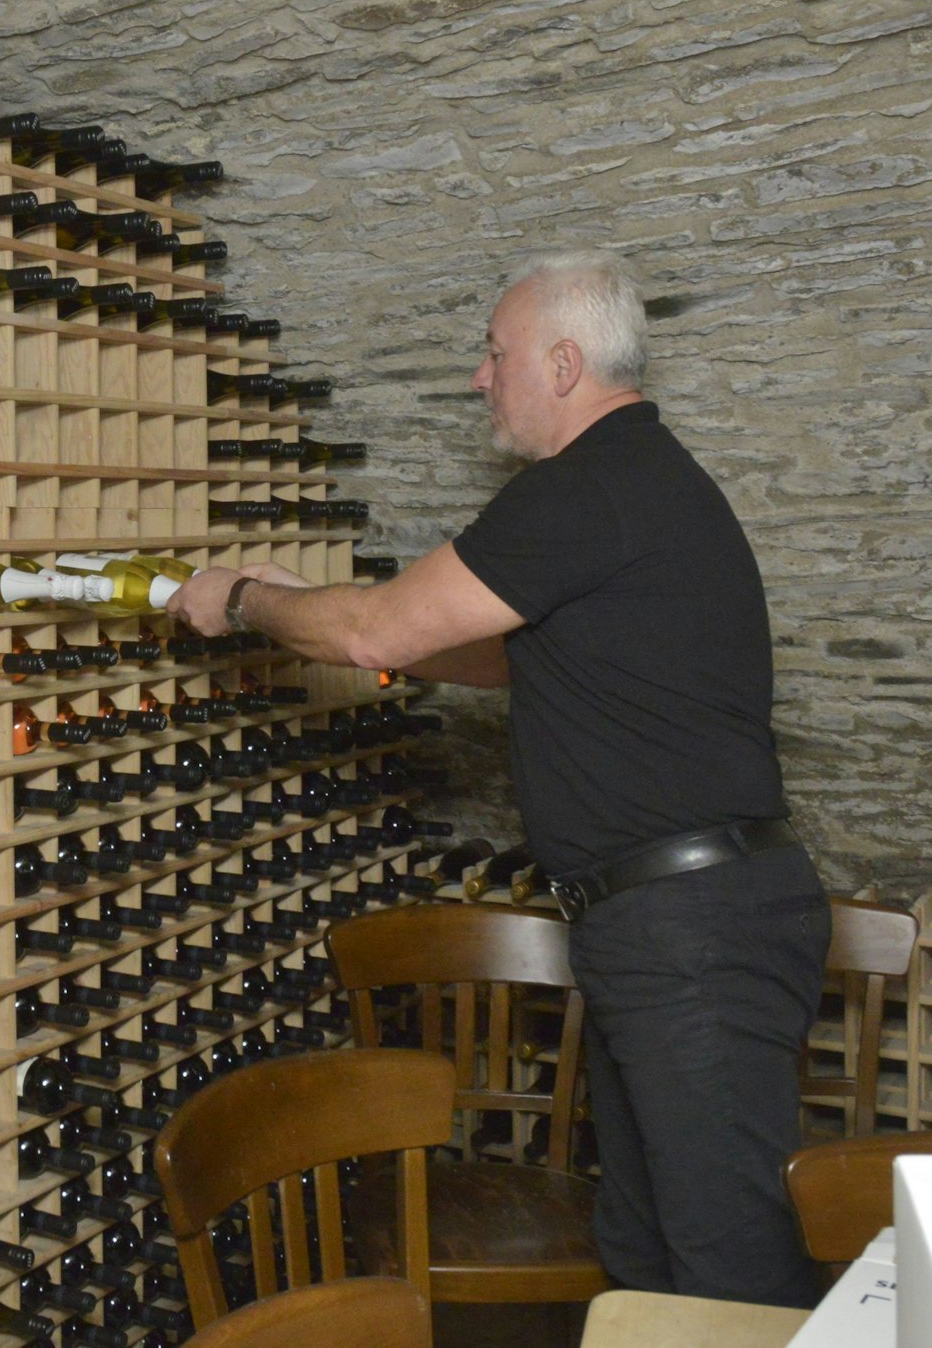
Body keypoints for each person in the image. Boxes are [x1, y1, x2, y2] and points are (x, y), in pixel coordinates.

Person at [165, 248, 830, 1307]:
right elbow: (472, 649)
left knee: (729, 1278)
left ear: (562, 364)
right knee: (649, 1256)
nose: (479, 376)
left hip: (690, 933)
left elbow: (379, 627)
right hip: (662, 924)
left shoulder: (584, 487)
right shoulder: (627, 487)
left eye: (493, 351)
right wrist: (323, 610)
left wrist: (243, 599)